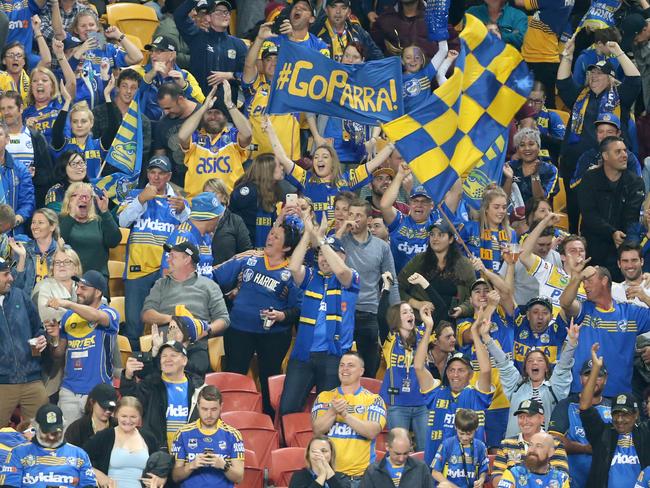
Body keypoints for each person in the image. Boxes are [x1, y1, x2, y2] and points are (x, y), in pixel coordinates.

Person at [212, 220, 302, 415]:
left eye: (276, 237)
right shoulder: (250, 258)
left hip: (274, 336)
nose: (270, 237)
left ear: (286, 247)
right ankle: (229, 417)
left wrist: (282, 315)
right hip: (238, 330)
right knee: (234, 375)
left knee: (269, 377)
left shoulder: (294, 273)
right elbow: (217, 277)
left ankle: (269, 421)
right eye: (270, 233)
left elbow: (298, 308)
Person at [557, 38, 641, 233]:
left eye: (599, 73)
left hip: (608, 164)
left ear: (611, 77)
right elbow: (562, 82)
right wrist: (567, 55)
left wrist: (618, 51)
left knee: (604, 211)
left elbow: (635, 79)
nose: (594, 76)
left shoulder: (620, 95)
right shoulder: (580, 95)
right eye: (592, 72)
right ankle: (573, 241)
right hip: (575, 161)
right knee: (574, 207)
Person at [280, 215, 360, 415]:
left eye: (331, 254)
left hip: (334, 355)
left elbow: (341, 273)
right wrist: (308, 234)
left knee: (327, 412)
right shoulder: (311, 276)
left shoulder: (350, 278)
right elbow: (293, 267)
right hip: (304, 354)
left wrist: (322, 241)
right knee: (288, 408)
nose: (324, 258)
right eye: (322, 255)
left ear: (343, 257)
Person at [117, 155, 190, 350]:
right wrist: (141, 200)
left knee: (168, 324)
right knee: (134, 326)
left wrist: (183, 211)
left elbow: (191, 229)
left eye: (161, 173)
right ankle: (134, 370)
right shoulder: (135, 195)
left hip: (167, 271)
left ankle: (165, 364)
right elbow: (121, 222)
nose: (156, 177)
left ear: (169, 176)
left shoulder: (179, 200)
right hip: (137, 269)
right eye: (152, 172)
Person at [266, 115, 394, 225]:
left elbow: (375, 162)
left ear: (333, 162)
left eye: (324, 156)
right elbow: (282, 158)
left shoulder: (347, 179)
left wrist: (392, 143)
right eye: (316, 157)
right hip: (312, 242)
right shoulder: (306, 179)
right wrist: (270, 131)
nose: (319, 159)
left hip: (340, 241)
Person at [414, 308, 493, 466]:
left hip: (468, 470)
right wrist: (429, 328)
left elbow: (486, 369)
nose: (455, 374)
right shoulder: (436, 392)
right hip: (436, 469)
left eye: (461, 370)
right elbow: (418, 367)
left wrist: (475, 334)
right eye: (451, 370)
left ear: (471, 374)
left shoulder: (477, 394)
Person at [560, 260, 650, 397]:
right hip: (582, 392)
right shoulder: (584, 310)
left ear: (604, 280)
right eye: (584, 282)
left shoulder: (630, 313)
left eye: (589, 281)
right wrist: (577, 278)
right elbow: (565, 303)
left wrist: (645, 297)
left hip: (618, 397)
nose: (585, 285)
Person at [483, 311, 578, 436]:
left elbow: (563, 367)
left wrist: (571, 343)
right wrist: (486, 338)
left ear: (547, 368)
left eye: (540, 360)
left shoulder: (555, 388)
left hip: (543, 449)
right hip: (515, 449)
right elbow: (503, 363)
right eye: (530, 361)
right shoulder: (516, 387)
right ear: (526, 368)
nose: (534, 363)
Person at [45, 270, 120, 425]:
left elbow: (96, 317)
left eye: (84, 288)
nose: (78, 291)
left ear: (98, 292)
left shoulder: (110, 313)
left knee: (96, 438)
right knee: (67, 439)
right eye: (77, 287)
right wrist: (53, 337)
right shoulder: (68, 317)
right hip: (69, 389)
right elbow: (58, 353)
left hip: (98, 389)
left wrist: (68, 304)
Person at [340, 199, 399, 377]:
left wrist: (397, 313)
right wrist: (341, 229)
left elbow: (392, 280)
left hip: (369, 313)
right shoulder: (340, 241)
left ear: (369, 220)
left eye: (359, 215)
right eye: (351, 215)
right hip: (342, 312)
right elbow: (325, 247)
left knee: (369, 369)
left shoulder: (381, 247)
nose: (354, 219)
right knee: (339, 365)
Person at [579, 343, 650, 487]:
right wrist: (596, 370)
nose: (619, 419)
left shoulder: (646, 433)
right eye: (616, 414)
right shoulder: (602, 433)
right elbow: (585, 406)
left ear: (636, 415)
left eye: (625, 414)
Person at [312, 351, 387, 487]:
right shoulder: (324, 397)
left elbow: (371, 431)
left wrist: (345, 415)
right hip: (329, 475)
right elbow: (317, 430)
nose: (345, 369)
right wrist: (333, 411)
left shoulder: (374, 400)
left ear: (361, 371)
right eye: (342, 365)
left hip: (361, 478)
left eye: (351, 365)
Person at [578, 136, 645, 281]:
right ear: (605, 156)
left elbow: (631, 217)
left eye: (625, 151)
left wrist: (618, 236)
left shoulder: (635, 182)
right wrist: (611, 232)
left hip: (621, 245)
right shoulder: (590, 179)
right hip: (593, 244)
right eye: (618, 152)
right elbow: (589, 214)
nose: (624, 155)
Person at [121, 340, 203, 451]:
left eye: (173, 355)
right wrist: (128, 377)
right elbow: (131, 403)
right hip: (158, 452)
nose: (167, 359)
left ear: (184, 360)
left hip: (190, 450)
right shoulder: (151, 384)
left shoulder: (198, 387)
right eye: (164, 356)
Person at [380, 163, 459, 273]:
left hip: (428, 284)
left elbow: (456, 191)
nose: (419, 205)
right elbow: (384, 205)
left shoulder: (438, 220)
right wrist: (400, 175)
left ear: (432, 206)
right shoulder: (399, 221)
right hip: (400, 285)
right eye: (415, 201)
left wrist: (447, 162)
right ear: (410, 203)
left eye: (424, 202)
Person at [178, 82, 252, 199]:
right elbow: (182, 136)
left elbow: (248, 133)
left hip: (229, 203)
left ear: (225, 117)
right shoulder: (195, 138)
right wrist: (204, 107)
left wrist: (229, 105)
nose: (213, 117)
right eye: (209, 113)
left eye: (217, 113)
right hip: (197, 204)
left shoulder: (233, 136)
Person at [142, 241, 230, 337]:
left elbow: (223, 318)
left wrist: (206, 329)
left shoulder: (210, 286)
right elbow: (146, 314)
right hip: (165, 343)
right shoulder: (161, 284)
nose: (168, 260)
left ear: (187, 260)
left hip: (197, 340)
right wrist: (174, 319)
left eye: (173, 256)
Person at [0, 256, 48, 428]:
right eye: (6, 275)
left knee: (43, 431)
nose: (11, 278)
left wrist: (42, 338)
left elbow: (38, 328)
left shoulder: (20, 296)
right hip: (2, 383)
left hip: (32, 379)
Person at [549, 359, 612, 488]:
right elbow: (553, 440)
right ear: (580, 378)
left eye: (598, 375)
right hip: (571, 480)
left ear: (606, 379)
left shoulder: (614, 408)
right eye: (587, 374)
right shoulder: (566, 404)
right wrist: (586, 448)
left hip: (604, 481)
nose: (592, 379)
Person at [84, 396, 171, 488]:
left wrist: (162, 479)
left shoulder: (149, 438)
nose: (128, 421)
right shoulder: (104, 436)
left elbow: (163, 467)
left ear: (140, 417)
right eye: (124, 416)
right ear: (116, 414)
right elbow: (80, 460)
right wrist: (97, 474)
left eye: (133, 417)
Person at [2, 404, 96, 488]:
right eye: (47, 431)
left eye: (56, 431)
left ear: (64, 426)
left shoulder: (80, 455)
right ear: (36, 427)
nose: (51, 436)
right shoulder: (18, 453)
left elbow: (89, 485)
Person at [398, 220, 475, 323]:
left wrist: (462, 309)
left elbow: (475, 296)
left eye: (440, 235)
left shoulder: (464, 265)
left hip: (452, 322)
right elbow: (398, 287)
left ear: (451, 239)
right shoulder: (419, 260)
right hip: (422, 321)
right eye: (432, 234)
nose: (435, 238)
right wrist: (416, 304)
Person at [31, 246, 82, 398]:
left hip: (77, 336)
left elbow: (99, 308)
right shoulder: (44, 286)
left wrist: (64, 308)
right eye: (57, 262)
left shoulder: (81, 286)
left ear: (76, 268)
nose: (61, 265)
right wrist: (80, 314)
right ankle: (51, 392)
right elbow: (47, 316)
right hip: (47, 338)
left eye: (66, 261)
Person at [171, 385, 245, 487]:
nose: (209, 414)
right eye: (204, 409)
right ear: (197, 406)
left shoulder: (233, 435)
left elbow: (239, 477)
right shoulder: (183, 433)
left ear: (221, 407)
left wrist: (223, 465)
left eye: (214, 409)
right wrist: (192, 465)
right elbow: (175, 477)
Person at [174, 0, 246, 101]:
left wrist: (230, 75)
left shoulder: (239, 44)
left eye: (227, 12)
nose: (224, 15)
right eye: (219, 12)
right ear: (208, 17)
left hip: (227, 107)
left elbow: (249, 77)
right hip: (198, 103)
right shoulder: (197, 36)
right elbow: (179, 16)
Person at [380, 302, 429, 451]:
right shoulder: (390, 339)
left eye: (411, 312)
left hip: (422, 403)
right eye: (405, 312)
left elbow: (437, 314)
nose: (410, 315)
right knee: (398, 450)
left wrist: (425, 314)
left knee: (426, 451)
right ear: (396, 318)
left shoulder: (423, 335)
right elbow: (381, 316)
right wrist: (386, 290)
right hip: (397, 404)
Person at [50, 79, 120, 180]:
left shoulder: (98, 145)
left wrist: (107, 96)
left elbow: (113, 127)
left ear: (91, 123)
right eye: (75, 121)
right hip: (70, 192)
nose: (79, 125)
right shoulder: (64, 145)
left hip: (92, 193)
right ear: (71, 124)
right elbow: (56, 131)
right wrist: (67, 101)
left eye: (83, 121)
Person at [491, 399, 570, 486]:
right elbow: (497, 477)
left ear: (542, 418)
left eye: (530, 416)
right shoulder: (506, 444)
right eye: (521, 417)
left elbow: (561, 478)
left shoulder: (555, 443)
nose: (525, 421)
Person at [59, 182, 122, 281]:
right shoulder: (60, 220)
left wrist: (105, 212)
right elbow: (58, 242)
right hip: (69, 278)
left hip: (97, 279)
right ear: (68, 200)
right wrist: (71, 215)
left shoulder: (100, 220)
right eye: (76, 196)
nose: (83, 200)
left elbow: (114, 241)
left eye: (86, 197)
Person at [0, 91, 53, 207]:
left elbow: (47, 173)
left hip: (28, 199)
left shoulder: (36, 137)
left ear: (21, 108)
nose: (6, 112)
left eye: (10, 107)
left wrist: (32, 176)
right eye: (2, 109)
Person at [134, 35, 204, 121]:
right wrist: (149, 76)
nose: (152, 55)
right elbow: (131, 96)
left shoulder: (185, 75)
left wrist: (184, 86)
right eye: (152, 51)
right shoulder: (140, 72)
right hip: (145, 126)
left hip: (176, 126)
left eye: (159, 51)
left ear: (172, 55)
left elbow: (201, 104)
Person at [92, 68, 152, 162]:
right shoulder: (98, 112)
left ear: (138, 91)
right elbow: (92, 143)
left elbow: (142, 153)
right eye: (124, 86)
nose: (128, 91)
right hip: (100, 170)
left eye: (133, 88)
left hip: (127, 172)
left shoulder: (143, 122)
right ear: (118, 87)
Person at [570, 113, 642, 190]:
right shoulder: (587, 156)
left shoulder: (628, 157)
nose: (605, 136)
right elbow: (573, 186)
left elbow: (638, 186)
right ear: (596, 134)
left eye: (610, 132)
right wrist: (590, 174)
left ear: (618, 134)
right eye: (601, 132)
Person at [162, 192, 224, 277]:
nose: (219, 221)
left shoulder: (207, 237)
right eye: (218, 217)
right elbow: (168, 273)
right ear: (211, 217)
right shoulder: (183, 237)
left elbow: (206, 271)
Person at [229, 153, 284, 249]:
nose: (282, 168)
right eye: (279, 165)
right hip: (242, 251)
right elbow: (230, 217)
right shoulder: (248, 191)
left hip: (261, 250)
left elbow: (272, 226)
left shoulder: (270, 192)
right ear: (268, 170)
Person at [458, 184, 517, 273]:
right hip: (474, 284)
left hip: (500, 284)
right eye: (496, 207)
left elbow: (514, 267)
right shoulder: (469, 228)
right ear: (486, 208)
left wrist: (510, 257)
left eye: (504, 207)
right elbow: (455, 256)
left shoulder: (511, 233)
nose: (501, 211)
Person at [151, 83, 199, 186]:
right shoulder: (162, 124)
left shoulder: (204, 115)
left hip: (203, 183)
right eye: (163, 108)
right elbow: (160, 158)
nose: (166, 112)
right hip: (176, 186)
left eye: (169, 108)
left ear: (180, 99)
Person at [431, 409, 489, 488]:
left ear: (476, 428)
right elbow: (435, 472)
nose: (465, 438)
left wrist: (481, 479)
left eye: (469, 434)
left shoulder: (480, 446)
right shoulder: (447, 444)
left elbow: (484, 470)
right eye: (461, 433)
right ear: (456, 427)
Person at [360, 427, 432, 488]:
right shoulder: (373, 471)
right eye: (397, 454)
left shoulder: (420, 467)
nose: (401, 458)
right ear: (387, 447)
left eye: (406, 453)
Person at [313, 0, 383, 62]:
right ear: (326, 10)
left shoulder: (358, 31)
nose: (338, 12)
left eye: (343, 8)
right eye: (334, 7)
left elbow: (378, 58)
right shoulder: (315, 32)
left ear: (349, 12)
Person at [11, 208, 61, 295]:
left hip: (54, 304)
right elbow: (15, 287)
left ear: (52, 226)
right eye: (33, 222)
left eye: (40, 223)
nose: (35, 226)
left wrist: (61, 252)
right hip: (28, 304)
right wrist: (22, 257)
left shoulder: (63, 250)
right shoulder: (23, 249)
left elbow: (67, 285)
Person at [203, 178, 252, 265]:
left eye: (214, 193)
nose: (209, 198)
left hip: (226, 276)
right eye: (206, 194)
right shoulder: (198, 220)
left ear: (224, 197)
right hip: (200, 274)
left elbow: (247, 253)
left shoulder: (235, 221)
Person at [497, 432, 570, 488]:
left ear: (550, 452)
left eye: (539, 446)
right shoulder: (513, 473)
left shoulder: (561, 479)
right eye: (530, 445)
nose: (533, 450)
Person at [506, 128, 559, 204]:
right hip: (512, 214)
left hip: (539, 214)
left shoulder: (550, 170)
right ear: (517, 150)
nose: (527, 148)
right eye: (522, 145)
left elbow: (540, 201)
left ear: (538, 147)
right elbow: (503, 200)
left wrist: (535, 176)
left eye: (531, 144)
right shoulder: (509, 167)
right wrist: (509, 179)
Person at [0, 121, 35, 234]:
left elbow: (28, 202)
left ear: (7, 139)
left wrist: (15, 220)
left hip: (13, 234)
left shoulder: (20, 169)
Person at [64, 383, 118, 448]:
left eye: (111, 407)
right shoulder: (76, 429)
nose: (108, 411)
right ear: (92, 402)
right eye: (103, 406)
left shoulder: (117, 426)